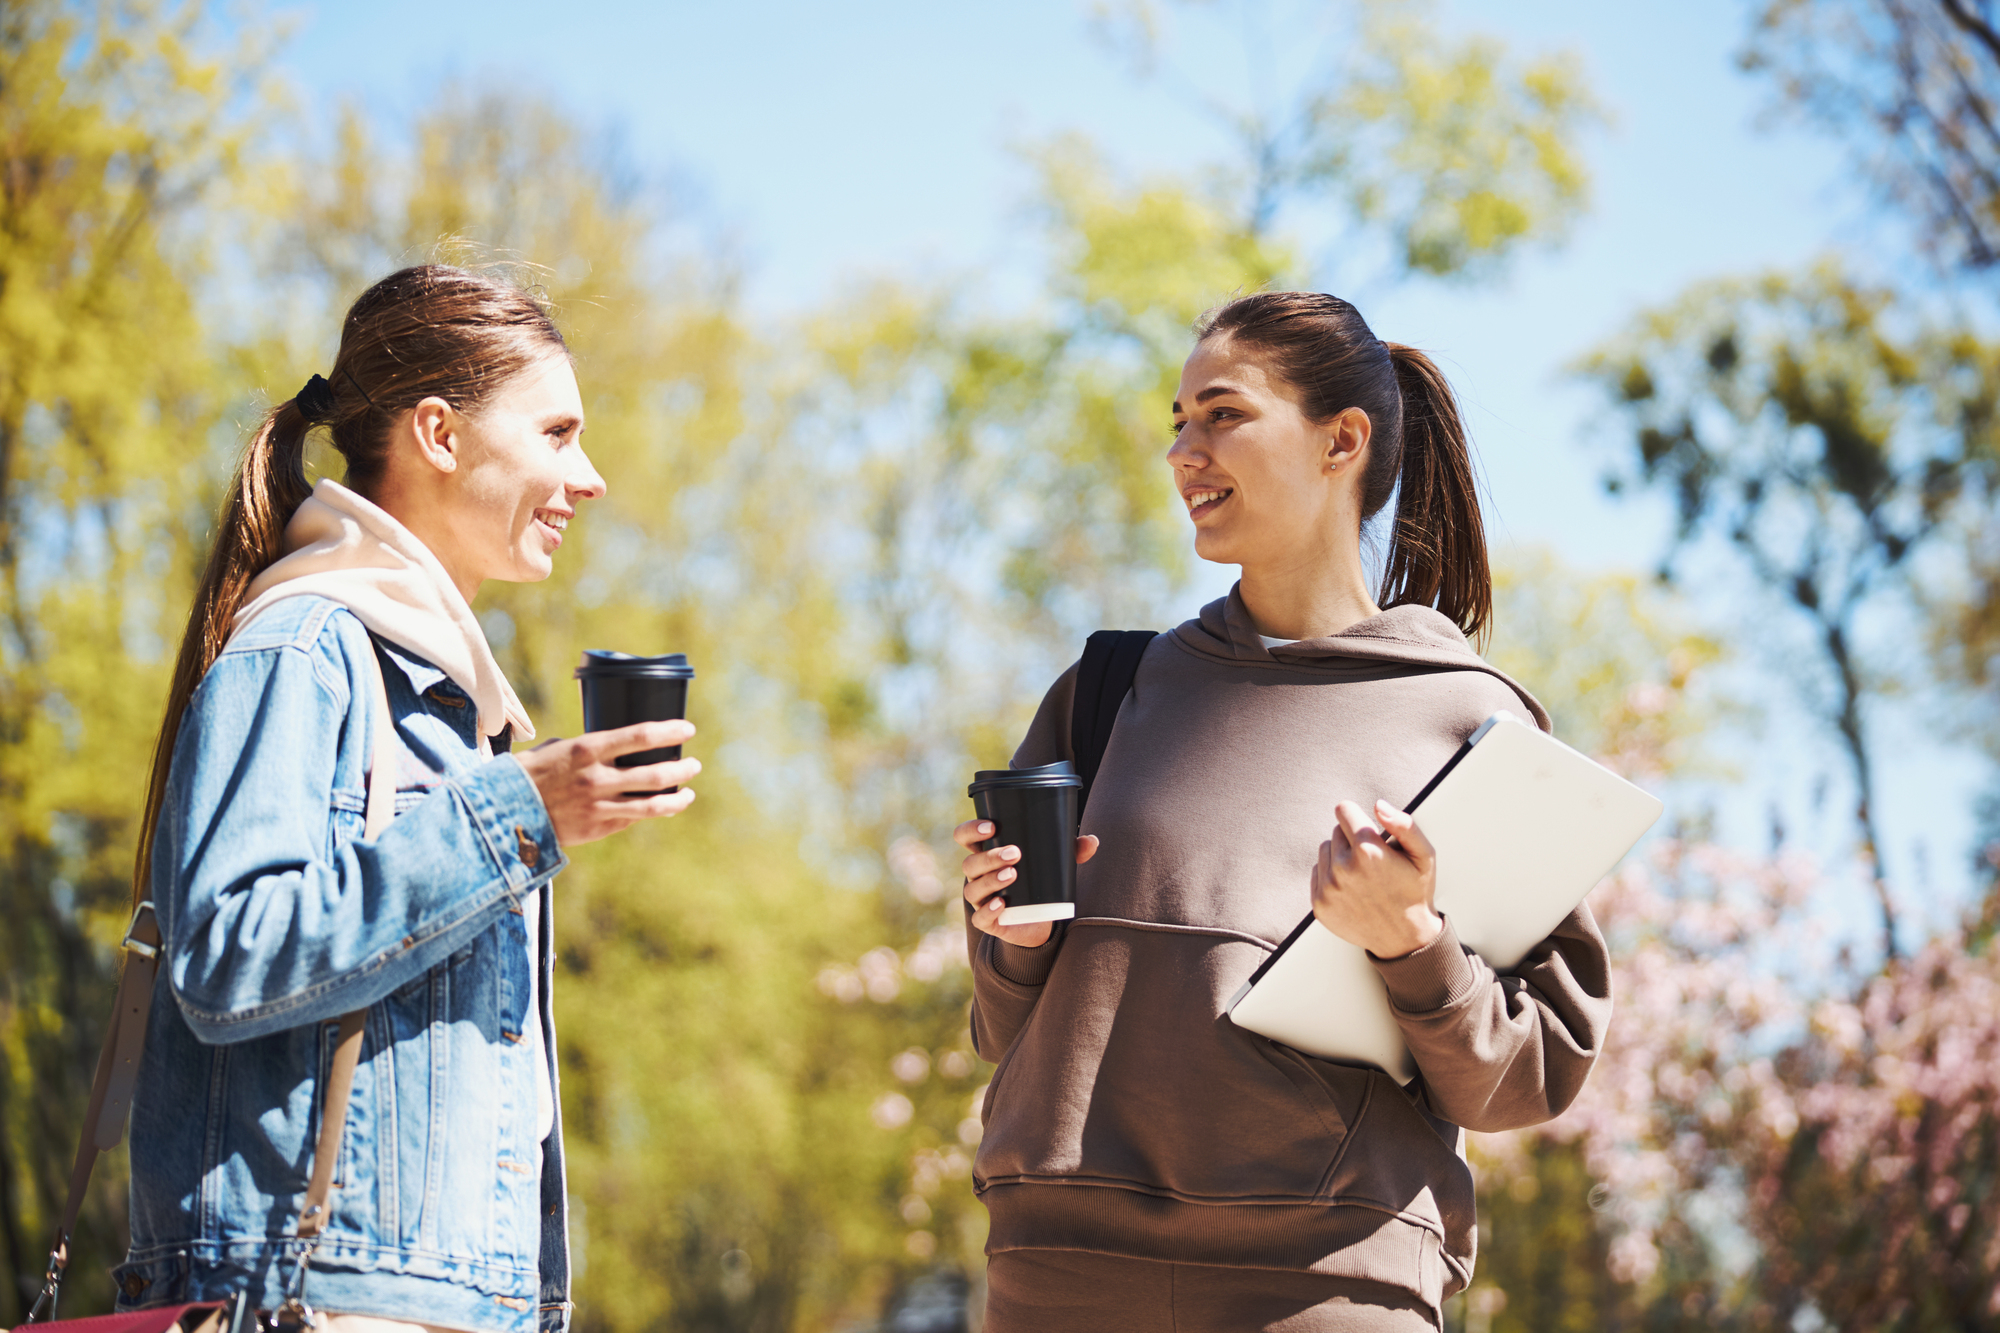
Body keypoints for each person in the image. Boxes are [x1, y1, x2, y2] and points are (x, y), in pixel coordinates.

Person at [956, 291, 1612, 1332]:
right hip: (1059, 1276)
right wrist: (1014, 942)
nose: (1183, 452)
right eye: (1177, 421)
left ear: (1339, 440)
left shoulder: (1470, 720)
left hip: (1327, 1286)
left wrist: (1411, 944)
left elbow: (1522, 1079)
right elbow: (1003, 1028)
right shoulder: (1104, 691)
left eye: (1221, 414)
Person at [112, 266, 696, 1332]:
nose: (592, 478)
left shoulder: (445, 696)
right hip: (317, 1300)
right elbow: (227, 956)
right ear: (438, 433)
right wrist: (519, 817)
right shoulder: (302, 649)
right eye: (557, 435)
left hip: (438, 1300)